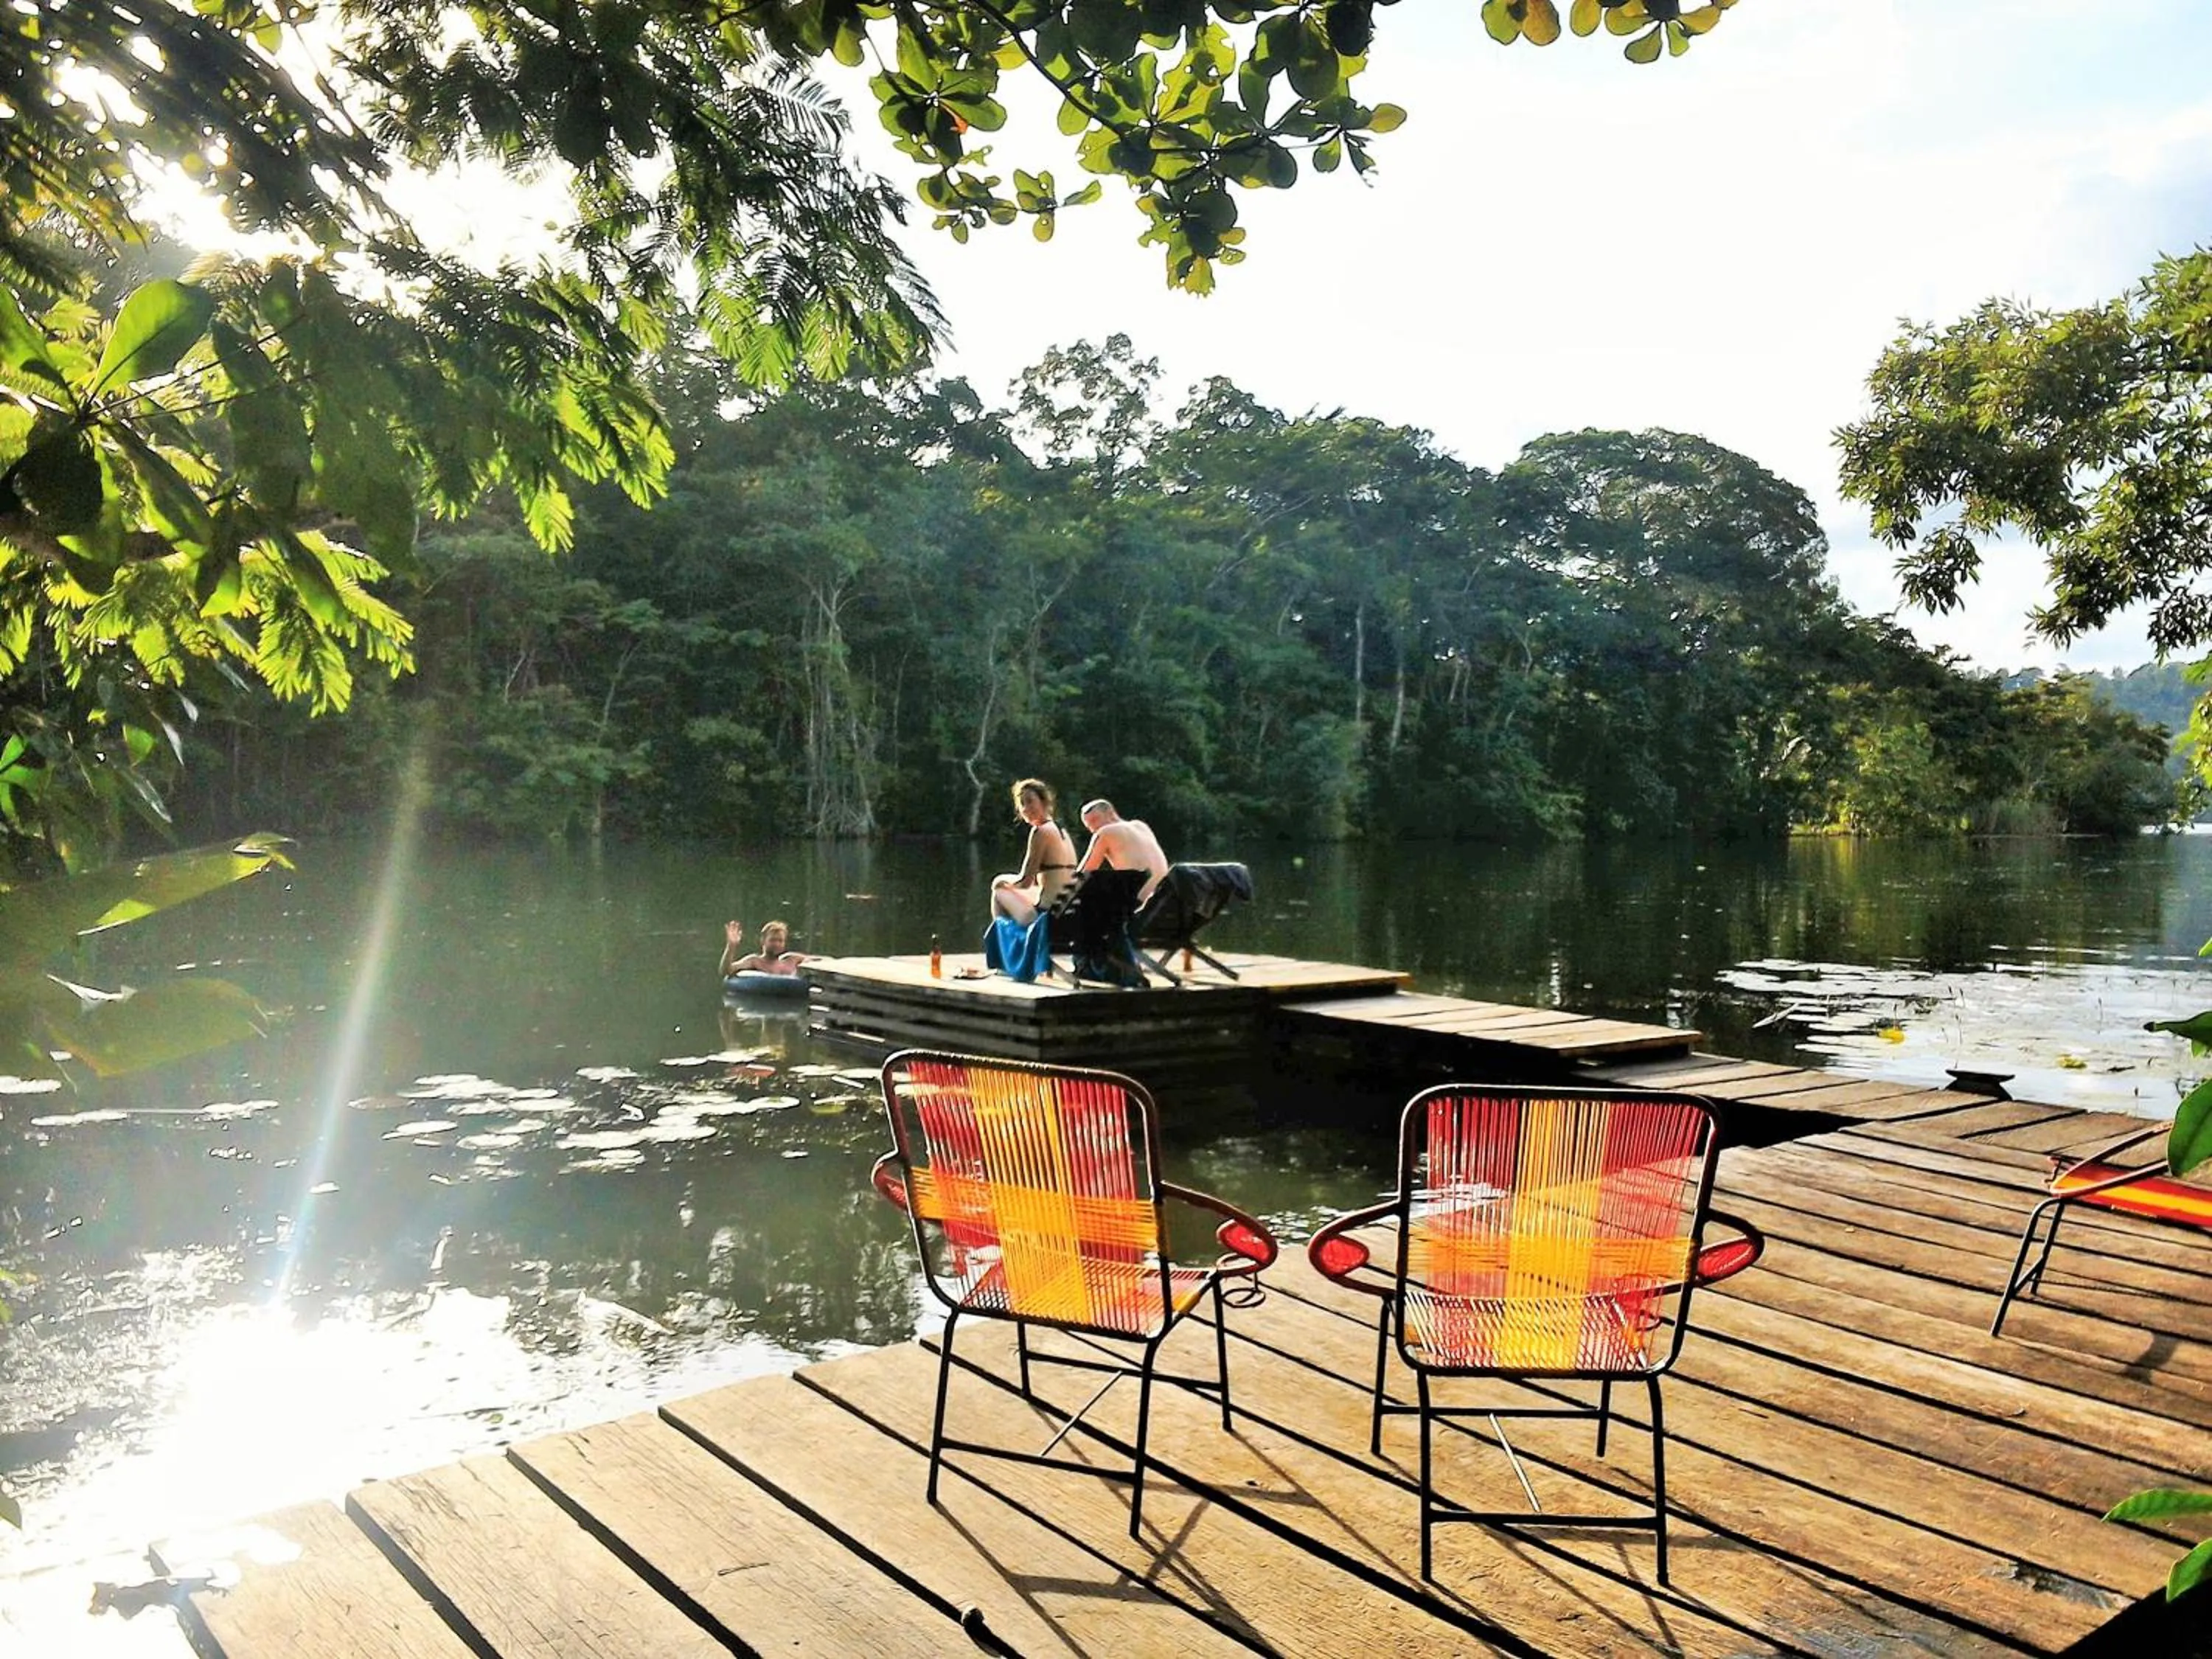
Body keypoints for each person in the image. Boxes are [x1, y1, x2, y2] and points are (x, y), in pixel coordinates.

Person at [989, 777, 1077, 927]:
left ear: (1044, 802)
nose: (1026, 809)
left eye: (1030, 801)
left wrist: (1000, 880)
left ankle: (1005, 947)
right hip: (1070, 911)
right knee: (1008, 887)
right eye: (1022, 804)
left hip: (1048, 915)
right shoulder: (1061, 830)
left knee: (999, 892)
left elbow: (1025, 883)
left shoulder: (1040, 831)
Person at [1077, 799, 1172, 906]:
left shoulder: (1105, 832)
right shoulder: (1141, 826)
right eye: (1088, 826)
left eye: (1095, 820)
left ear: (1110, 813)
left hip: (1143, 902)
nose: (1093, 828)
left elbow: (1082, 875)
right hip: (1168, 894)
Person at [721, 918, 807, 977]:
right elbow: (726, 970)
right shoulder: (754, 961)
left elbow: (818, 961)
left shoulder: (792, 960)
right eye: (773, 940)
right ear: (763, 941)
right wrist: (731, 946)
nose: (777, 944)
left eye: (780, 941)